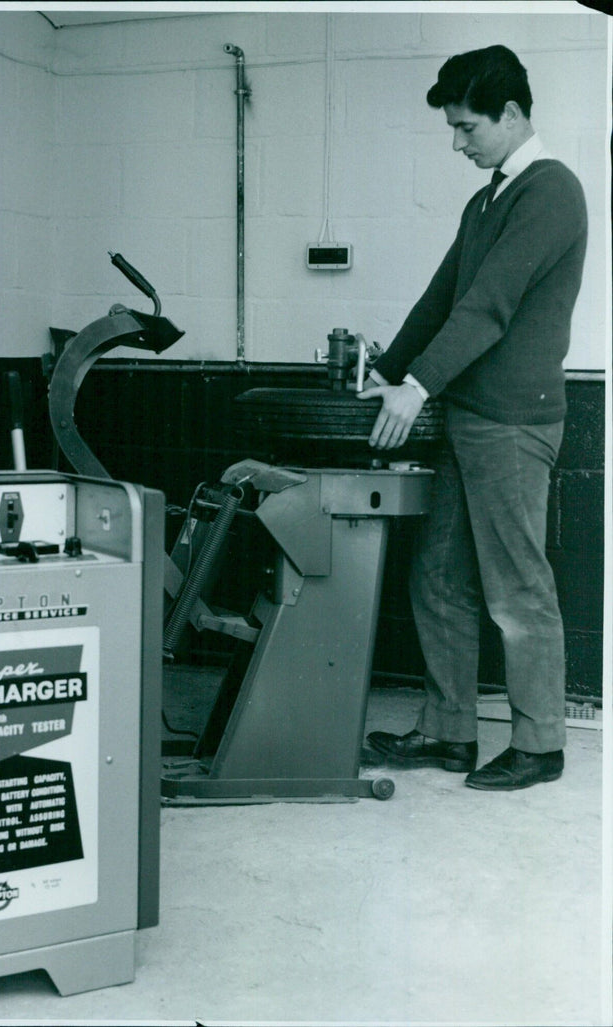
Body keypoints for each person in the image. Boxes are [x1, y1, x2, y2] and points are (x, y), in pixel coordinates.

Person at [357, 44, 588, 790]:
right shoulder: (488, 197)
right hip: (465, 416)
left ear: (512, 113)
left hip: (515, 422)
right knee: (438, 577)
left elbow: (489, 307)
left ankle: (541, 743)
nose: (458, 143)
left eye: (467, 128)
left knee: (516, 587)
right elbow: (443, 297)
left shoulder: (551, 192)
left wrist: (417, 385)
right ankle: (449, 730)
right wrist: (387, 372)